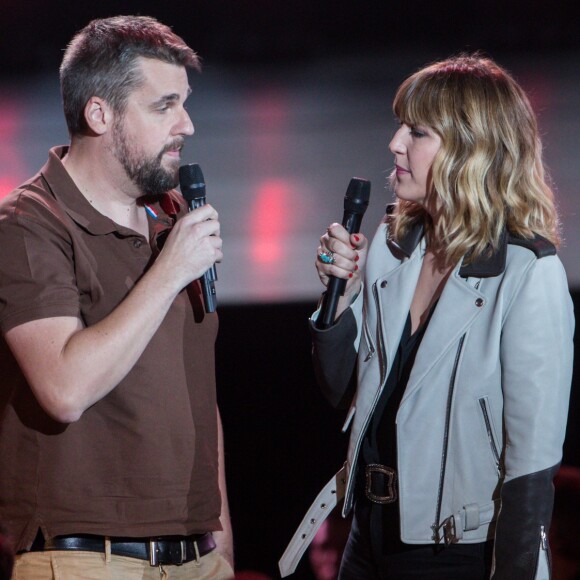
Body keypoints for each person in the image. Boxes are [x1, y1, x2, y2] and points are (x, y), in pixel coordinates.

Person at [282, 55, 575, 579]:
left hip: (458, 552)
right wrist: (341, 299)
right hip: (368, 539)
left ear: (472, 150)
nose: (395, 143)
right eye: (401, 127)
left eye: (417, 131)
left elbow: (531, 467)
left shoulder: (527, 273)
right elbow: (342, 391)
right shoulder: (394, 252)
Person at [0, 15, 234, 579]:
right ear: (99, 113)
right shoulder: (29, 224)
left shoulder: (172, 215)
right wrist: (169, 270)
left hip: (195, 556)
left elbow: (198, 391)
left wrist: (221, 542)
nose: (187, 124)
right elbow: (63, 389)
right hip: (87, 559)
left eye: (185, 102)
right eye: (164, 106)